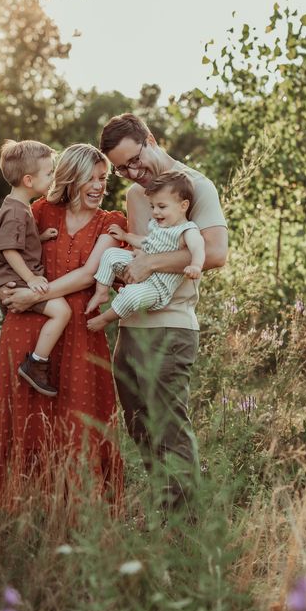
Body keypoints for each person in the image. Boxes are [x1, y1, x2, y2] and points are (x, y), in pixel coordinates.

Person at [0, 143, 127, 512]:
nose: (100, 186)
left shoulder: (110, 223)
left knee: (79, 421)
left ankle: (83, 516)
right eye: (92, 178)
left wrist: (31, 295)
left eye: (104, 178)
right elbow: (3, 253)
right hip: (30, 328)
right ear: (71, 177)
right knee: (29, 422)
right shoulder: (38, 211)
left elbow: (87, 275)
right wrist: (5, 292)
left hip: (80, 333)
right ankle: (24, 514)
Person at [99, 113, 228, 506]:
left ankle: (187, 530)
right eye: (121, 169)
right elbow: (142, 251)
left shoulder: (197, 187)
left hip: (171, 328)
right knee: (139, 426)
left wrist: (151, 264)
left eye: (134, 160)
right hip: (131, 326)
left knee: (170, 428)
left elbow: (217, 254)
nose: (132, 172)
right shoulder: (136, 195)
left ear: (150, 139)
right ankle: (165, 513)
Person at [0, 139, 71, 397]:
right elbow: (9, 250)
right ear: (29, 180)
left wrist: (39, 238)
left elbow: (14, 241)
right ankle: (36, 363)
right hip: (14, 280)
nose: (52, 177)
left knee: (7, 319)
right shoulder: (17, 213)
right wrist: (31, 277)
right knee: (62, 311)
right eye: (49, 173)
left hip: (4, 278)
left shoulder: (16, 207)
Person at [86, 170, 204, 332]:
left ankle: (105, 318)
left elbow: (198, 248)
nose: (155, 212)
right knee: (110, 254)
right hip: (143, 271)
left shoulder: (187, 230)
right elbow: (145, 242)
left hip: (157, 288)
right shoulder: (159, 226)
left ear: (183, 206)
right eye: (152, 206)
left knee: (131, 294)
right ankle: (101, 292)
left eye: (161, 206)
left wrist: (196, 265)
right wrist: (125, 236)